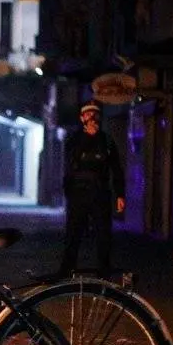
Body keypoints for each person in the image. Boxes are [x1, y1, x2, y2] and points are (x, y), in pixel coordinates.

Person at [58, 100, 126, 277]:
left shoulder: (107, 141)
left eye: (95, 114)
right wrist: (87, 138)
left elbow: (116, 168)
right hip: (78, 193)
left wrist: (120, 194)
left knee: (104, 235)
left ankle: (104, 272)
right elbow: (70, 162)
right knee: (73, 234)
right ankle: (66, 270)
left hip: (100, 194)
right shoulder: (74, 139)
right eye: (88, 114)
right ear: (82, 118)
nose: (92, 118)